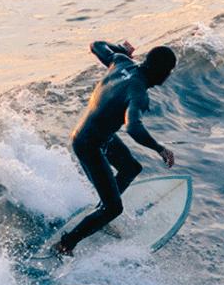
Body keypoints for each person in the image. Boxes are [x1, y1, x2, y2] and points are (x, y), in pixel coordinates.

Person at [54, 39, 177, 256]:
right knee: (114, 209)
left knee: (131, 168)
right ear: (162, 73)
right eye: (169, 72)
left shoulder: (121, 62)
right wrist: (159, 148)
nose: (168, 77)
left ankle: (101, 211)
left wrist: (123, 50)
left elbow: (96, 45)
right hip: (88, 145)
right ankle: (66, 244)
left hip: (95, 135)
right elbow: (133, 127)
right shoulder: (138, 94)